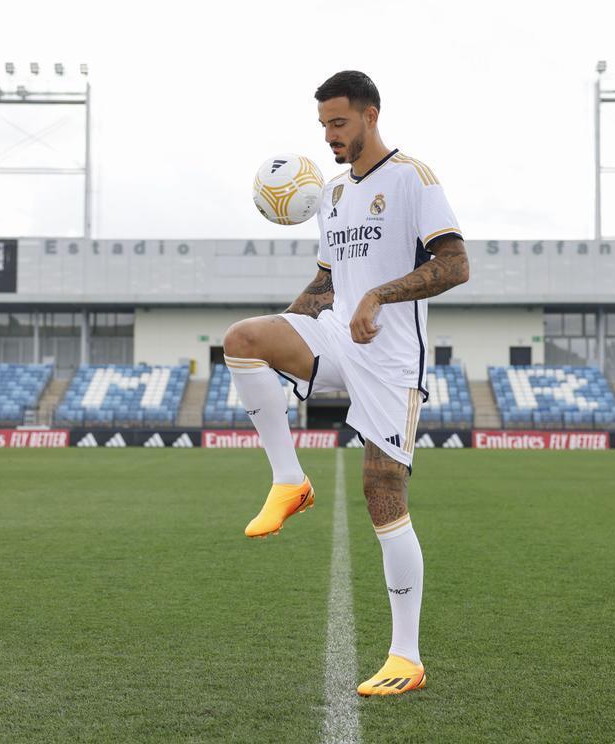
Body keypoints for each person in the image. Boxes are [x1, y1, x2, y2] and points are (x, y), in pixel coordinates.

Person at [223, 71, 469, 697]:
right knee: (244, 339)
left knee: (381, 491)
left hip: (390, 360)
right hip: (337, 336)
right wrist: (287, 326)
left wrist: (381, 296)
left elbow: (455, 265)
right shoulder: (330, 195)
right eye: (323, 125)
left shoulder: (412, 178)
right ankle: (289, 481)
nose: (329, 136)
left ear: (370, 116)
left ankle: (406, 657)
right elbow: (327, 284)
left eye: (339, 123)